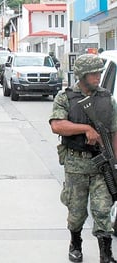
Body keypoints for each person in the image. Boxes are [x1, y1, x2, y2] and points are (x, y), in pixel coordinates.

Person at [49, 54, 117, 263]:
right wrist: (86, 128)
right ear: (82, 75)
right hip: (76, 164)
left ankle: (106, 254)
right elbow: (57, 125)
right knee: (77, 211)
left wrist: (114, 162)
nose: (98, 77)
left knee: (102, 209)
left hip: (102, 164)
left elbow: (114, 132)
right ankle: (75, 244)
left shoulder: (107, 99)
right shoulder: (65, 97)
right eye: (93, 73)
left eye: (98, 72)